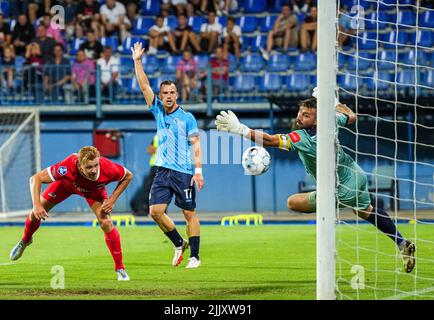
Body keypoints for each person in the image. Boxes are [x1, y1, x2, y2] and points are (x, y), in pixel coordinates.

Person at [214, 89, 416, 274]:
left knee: (292, 202)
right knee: (365, 211)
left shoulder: (302, 138)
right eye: (300, 112)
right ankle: (401, 242)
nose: (300, 117)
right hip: (356, 175)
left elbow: (270, 141)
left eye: (306, 115)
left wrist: (240, 129)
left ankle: (327, 265)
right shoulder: (332, 121)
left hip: (340, 188)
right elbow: (352, 117)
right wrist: (335, 102)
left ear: (317, 120)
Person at [9, 146, 133, 281]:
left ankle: (120, 269)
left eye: (96, 165)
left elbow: (128, 176)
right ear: (80, 166)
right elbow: (36, 178)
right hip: (67, 185)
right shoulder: (67, 166)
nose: (94, 170)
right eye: (89, 167)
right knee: (35, 214)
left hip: (93, 191)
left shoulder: (108, 168)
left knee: (106, 222)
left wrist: (112, 199)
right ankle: (25, 241)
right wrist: (37, 205)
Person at [132, 42, 204, 269]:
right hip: (162, 171)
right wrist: (137, 61)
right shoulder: (158, 111)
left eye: (172, 92)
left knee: (188, 212)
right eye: (165, 93)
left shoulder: (188, 117)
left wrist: (199, 171)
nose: (169, 96)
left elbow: (196, 144)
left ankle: (195, 256)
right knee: (155, 212)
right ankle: (178, 242)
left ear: (177, 94)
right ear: (161, 96)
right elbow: (144, 86)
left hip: (183, 172)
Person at [130, 134, 158, 216]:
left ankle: (158, 210)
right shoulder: (158, 135)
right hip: (156, 166)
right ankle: (144, 209)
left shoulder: (162, 135)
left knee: (157, 189)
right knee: (149, 189)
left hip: (159, 166)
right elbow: (149, 150)